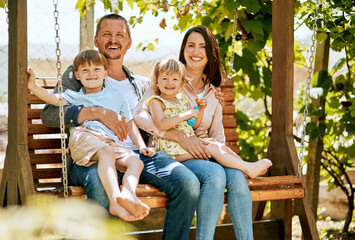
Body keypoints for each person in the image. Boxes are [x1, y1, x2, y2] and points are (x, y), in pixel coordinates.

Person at [41, 14, 205, 240]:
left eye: (120, 35)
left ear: (128, 42)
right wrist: (97, 113)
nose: (113, 40)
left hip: (136, 153)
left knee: (187, 183)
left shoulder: (140, 83)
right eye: (106, 34)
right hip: (93, 155)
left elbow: (161, 113)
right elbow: (49, 114)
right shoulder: (81, 73)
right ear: (97, 40)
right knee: (99, 182)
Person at [134, 25, 259, 239]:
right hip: (176, 154)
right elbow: (139, 115)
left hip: (205, 153)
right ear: (183, 50)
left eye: (202, 47)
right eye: (190, 46)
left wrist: (217, 152)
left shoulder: (213, 91)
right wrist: (175, 134)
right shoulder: (169, 79)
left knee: (237, 177)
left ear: (210, 54)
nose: (195, 52)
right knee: (216, 174)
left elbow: (218, 135)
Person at [28, 49, 152, 221]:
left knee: (135, 162)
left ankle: (128, 194)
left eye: (96, 69)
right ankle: (115, 200)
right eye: (85, 70)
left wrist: (141, 146)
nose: (91, 73)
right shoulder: (75, 96)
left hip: (109, 142)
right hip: (84, 136)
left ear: (105, 73)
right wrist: (33, 86)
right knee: (106, 153)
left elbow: (129, 124)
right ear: (77, 75)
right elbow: (52, 99)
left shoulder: (116, 96)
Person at [147, 58, 272, 178]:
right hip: (170, 150)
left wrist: (200, 110)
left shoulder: (181, 100)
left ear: (181, 83)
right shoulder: (156, 102)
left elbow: (193, 125)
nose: (169, 83)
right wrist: (186, 114)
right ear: (156, 81)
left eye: (174, 79)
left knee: (220, 146)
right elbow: (160, 125)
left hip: (184, 145)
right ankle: (247, 168)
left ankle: (246, 167)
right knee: (213, 148)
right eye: (164, 78)